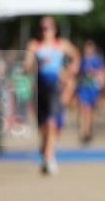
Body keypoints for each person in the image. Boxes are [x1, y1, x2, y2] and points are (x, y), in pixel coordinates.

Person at [24, 16, 79, 175]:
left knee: (52, 124)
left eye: (47, 27)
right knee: (44, 128)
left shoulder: (61, 44)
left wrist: (70, 72)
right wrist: (34, 63)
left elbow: (76, 56)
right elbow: (26, 67)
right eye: (42, 27)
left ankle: (48, 158)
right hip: (40, 88)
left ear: (54, 29)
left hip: (55, 87)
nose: (45, 31)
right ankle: (47, 154)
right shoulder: (34, 45)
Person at [76, 40, 105, 144]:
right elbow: (77, 72)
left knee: (89, 111)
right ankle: (82, 132)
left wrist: (95, 73)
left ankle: (87, 132)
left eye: (90, 48)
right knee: (82, 110)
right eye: (87, 48)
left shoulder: (97, 60)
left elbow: (103, 72)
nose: (88, 50)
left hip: (93, 89)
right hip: (83, 87)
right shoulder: (82, 60)